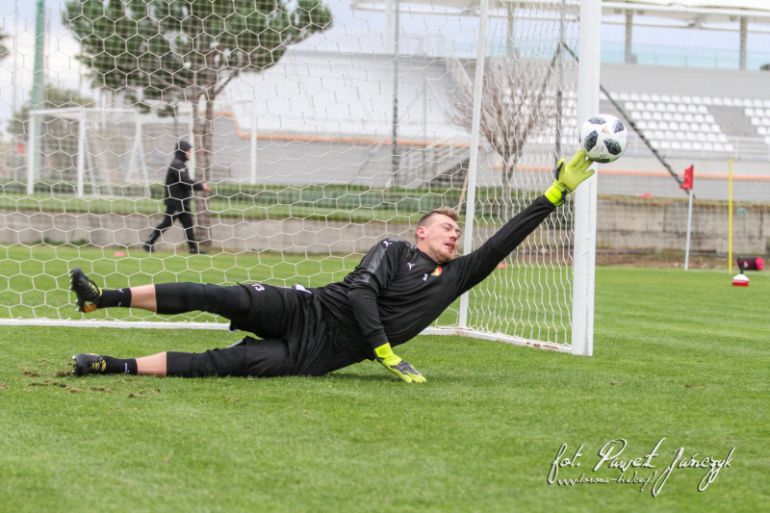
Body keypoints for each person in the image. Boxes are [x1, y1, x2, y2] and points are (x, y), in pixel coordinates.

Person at [70, 150, 595, 383]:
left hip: (314, 356)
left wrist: (558, 190)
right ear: (421, 231)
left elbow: (507, 238)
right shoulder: (392, 249)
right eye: (445, 227)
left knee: (221, 364)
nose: (455, 233)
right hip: (304, 307)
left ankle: (110, 366)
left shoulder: (458, 276)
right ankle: (104, 297)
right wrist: (386, 352)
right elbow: (363, 295)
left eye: (458, 231)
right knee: (218, 295)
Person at [144, 140, 211, 254]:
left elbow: (186, 181)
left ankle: (193, 249)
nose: (190, 153)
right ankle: (148, 243)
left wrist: (199, 185)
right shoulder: (177, 165)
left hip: (182, 201)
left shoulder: (181, 164)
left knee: (188, 224)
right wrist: (201, 186)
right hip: (175, 201)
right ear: (182, 152)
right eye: (188, 151)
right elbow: (185, 181)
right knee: (167, 223)